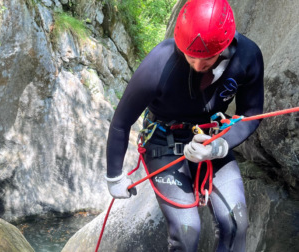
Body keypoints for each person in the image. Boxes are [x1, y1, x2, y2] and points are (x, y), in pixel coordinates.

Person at [105, 0, 264, 251]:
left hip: (210, 140)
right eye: (191, 57)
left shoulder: (247, 57)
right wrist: (114, 175)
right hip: (163, 141)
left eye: (208, 58)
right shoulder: (159, 62)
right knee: (186, 232)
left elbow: (252, 113)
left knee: (236, 222)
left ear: (225, 46)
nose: (199, 66)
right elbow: (121, 122)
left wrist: (220, 147)